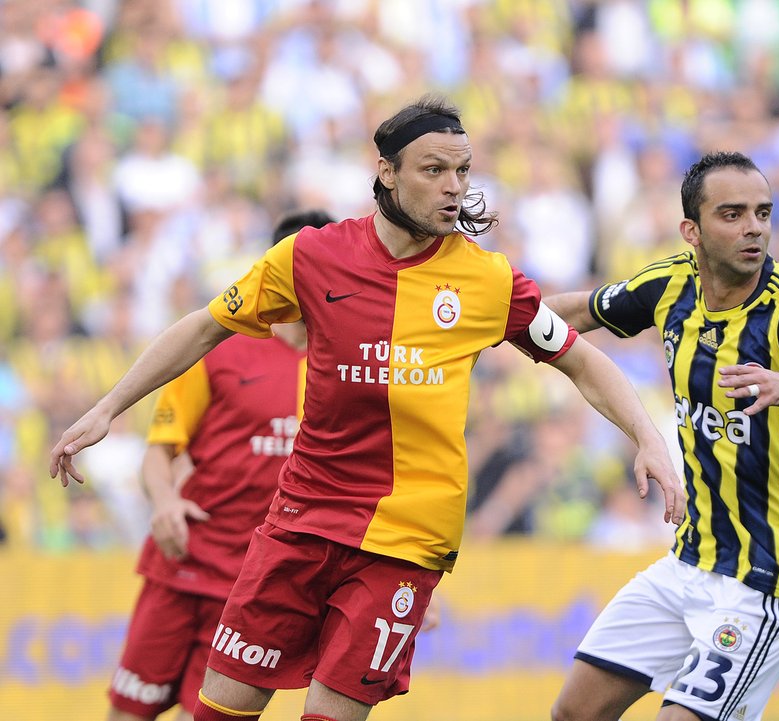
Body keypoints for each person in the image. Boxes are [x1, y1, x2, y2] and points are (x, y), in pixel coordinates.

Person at [50, 94, 686, 721]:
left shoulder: (488, 280)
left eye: (462, 171)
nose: (454, 188)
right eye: (433, 170)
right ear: (387, 171)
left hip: (405, 540)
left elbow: (583, 359)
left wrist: (647, 437)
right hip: (301, 520)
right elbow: (203, 326)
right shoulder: (310, 256)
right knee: (218, 711)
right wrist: (108, 408)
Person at [545, 150, 779, 721]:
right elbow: (581, 312)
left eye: (762, 212)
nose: (753, 227)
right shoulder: (672, 282)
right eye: (732, 214)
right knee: (574, 713)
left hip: (763, 584)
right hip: (688, 564)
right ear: (692, 230)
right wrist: (490, 321)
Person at [107, 209, 334, 721]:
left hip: (255, 587)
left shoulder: (346, 366)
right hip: (183, 562)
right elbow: (159, 451)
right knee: (126, 714)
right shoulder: (220, 346)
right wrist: (165, 502)